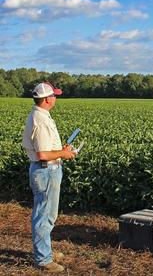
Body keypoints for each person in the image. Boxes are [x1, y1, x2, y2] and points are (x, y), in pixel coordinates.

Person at [22, 82, 76, 273]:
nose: (55, 98)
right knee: (43, 216)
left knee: (48, 215)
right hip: (45, 170)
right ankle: (43, 259)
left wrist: (62, 151)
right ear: (47, 99)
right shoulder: (41, 120)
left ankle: (45, 250)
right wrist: (64, 154)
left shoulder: (41, 115)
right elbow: (43, 154)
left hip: (47, 170)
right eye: (54, 95)